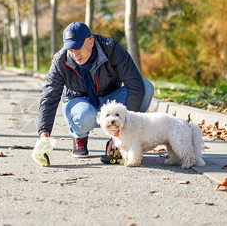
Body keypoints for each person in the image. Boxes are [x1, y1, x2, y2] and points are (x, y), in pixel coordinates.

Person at [37, 22, 154, 160]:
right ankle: (79, 137)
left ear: (90, 41)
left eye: (78, 47)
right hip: (78, 101)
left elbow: (134, 84)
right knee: (85, 115)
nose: (75, 54)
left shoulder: (111, 49)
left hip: (110, 97)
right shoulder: (60, 60)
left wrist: (121, 133)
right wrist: (44, 137)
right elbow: (49, 96)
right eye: (70, 49)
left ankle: (120, 140)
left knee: (146, 87)